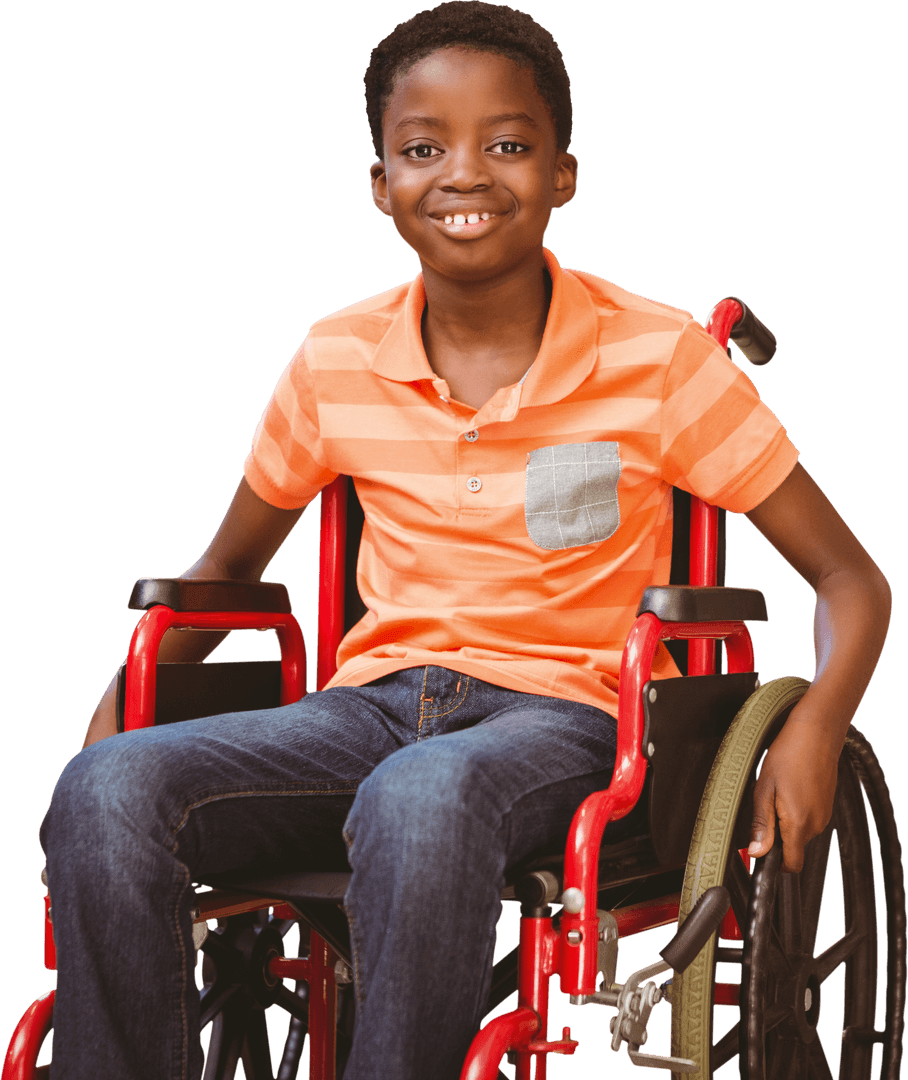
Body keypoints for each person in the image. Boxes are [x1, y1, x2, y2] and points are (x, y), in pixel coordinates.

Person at [40, 3, 890, 1078]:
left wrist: (814, 729)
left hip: (576, 721)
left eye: (506, 145)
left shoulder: (660, 359)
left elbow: (849, 578)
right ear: (379, 182)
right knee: (108, 789)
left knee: (424, 794)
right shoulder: (334, 357)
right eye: (422, 148)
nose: (464, 175)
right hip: (371, 707)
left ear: (560, 174)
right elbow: (228, 573)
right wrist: (121, 714)